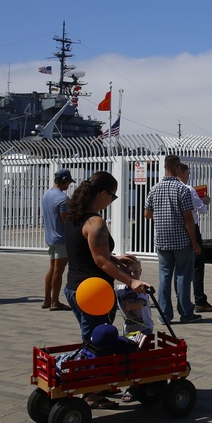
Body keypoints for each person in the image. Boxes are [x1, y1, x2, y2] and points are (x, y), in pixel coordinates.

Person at [63, 171, 149, 410]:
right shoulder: (95, 222)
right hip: (93, 293)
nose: (112, 200)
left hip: (73, 288)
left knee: (90, 338)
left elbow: (89, 252)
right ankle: (91, 393)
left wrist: (115, 257)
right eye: (113, 196)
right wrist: (131, 282)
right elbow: (100, 262)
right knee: (97, 342)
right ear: (102, 193)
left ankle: (96, 386)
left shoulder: (74, 216)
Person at [144, 155, 202, 324]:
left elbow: (147, 214)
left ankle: (164, 315)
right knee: (183, 275)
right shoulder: (182, 189)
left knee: (164, 276)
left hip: (162, 239)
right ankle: (186, 312)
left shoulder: (155, 189)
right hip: (181, 240)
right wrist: (195, 241)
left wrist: (162, 215)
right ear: (177, 167)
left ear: (164, 167)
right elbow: (188, 219)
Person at [177, 162, 212, 313]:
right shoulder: (188, 189)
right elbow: (201, 209)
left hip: (176, 231)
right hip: (191, 228)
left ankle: (181, 302)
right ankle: (199, 300)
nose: (189, 175)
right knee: (197, 265)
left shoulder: (168, 188)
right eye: (187, 173)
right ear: (182, 172)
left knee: (178, 269)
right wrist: (205, 202)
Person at [40, 169, 74, 311]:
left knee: (52, 269)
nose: (68, 185)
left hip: (50, 237)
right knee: (58, 271)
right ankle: (55, 302)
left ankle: (47, 299)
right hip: (61, 238)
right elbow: (66, 220)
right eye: (68, 182)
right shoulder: (62, 198)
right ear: (64, 180)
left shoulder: (47, 194)